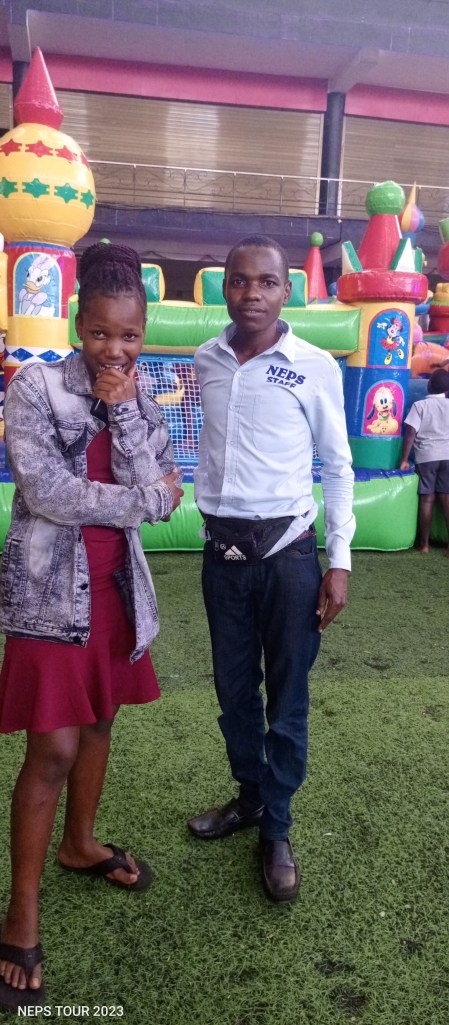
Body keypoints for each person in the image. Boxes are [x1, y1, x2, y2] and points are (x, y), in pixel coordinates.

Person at [0, 242, 183, 1010]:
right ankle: (22, 910)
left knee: (102, 721)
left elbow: (161, 487)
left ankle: (80, 843)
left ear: (143, 332)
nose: (116, 348)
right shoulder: (35, 386)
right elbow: (47, 490)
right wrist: (144, 498)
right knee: (53, 747)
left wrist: (125, 413)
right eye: (102, 332)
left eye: (130, 334)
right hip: (49, 593)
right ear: (79, 324)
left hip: (116, 590)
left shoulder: (144, 403)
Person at [187, 235, 355, 903]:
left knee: (286, 697)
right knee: (234, 694)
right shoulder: (206, 359)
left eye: (265, 281)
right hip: (222, 558)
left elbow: (337, 466)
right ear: (222, 286)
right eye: (239, 280)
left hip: (289, 558)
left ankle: (277, 827)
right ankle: (251, 797)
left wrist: (338, 562)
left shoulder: (313, 365)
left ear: (287, 290)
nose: (250, 293)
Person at [400, 367, 449, 554]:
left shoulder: (420, 406)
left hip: (427, 457)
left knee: (427, 499)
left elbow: (410, 433)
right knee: (446, 498)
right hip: (447, 456)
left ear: (429, 385)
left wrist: (404, 459)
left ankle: (424, 544)